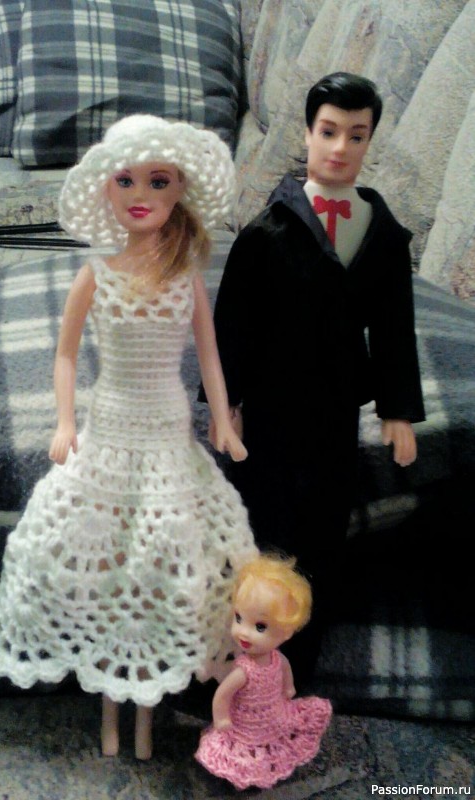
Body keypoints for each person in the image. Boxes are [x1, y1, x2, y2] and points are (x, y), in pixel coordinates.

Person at [0, 114, 258, 760]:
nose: (140, 194)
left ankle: (145, 723)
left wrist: (222, 418)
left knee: (161, 561)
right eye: (125, 180)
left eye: (158, 181)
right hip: (108, 429)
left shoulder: (185, 276)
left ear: (179, 190)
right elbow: (64, 354)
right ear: (106, 189)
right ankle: (112, 717)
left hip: (167, 432)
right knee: (107, 564)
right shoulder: (96, 273)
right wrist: (65, 421)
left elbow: (210, 355)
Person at [202, 72, 426, 686]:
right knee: (263, 526)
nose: (340, 147)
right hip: (270, 408)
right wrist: (226, 405)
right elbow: (234, 324)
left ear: (370, 141)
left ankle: (298, 669)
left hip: (335, 409)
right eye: (328, 131)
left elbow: (394, 326)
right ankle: (241, 665)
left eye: (356, 135)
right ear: (306, 134)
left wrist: (397, 410)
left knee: (324, 529)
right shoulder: (267, 231)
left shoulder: (382, 235)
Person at [195, 553, 332, 790]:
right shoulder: (243, 671)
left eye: (260, 626)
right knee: (246, 751)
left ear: (287, 632)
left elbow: (284, 667)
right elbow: (223, 695)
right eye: (239, 618)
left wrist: (288, 687)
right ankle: (245, 774)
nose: (243, 632)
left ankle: (263, 768)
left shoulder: (277, 658)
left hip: (274, 716)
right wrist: (221, 718)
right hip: (244, 725)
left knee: (277, 736)